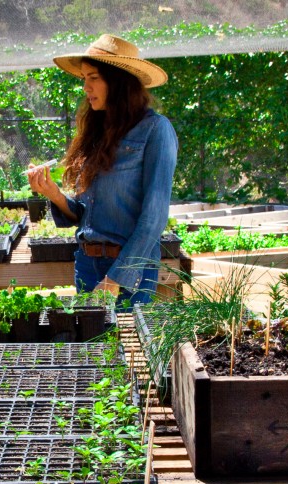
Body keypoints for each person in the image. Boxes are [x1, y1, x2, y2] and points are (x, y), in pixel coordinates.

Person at [27, 34, 178, 309]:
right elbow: (88, 215)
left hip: (127, 271)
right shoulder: (98, 131)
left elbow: (154, 219)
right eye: (83, 78)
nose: (85, 87)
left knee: (123, 348)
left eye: (93, 77)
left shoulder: (155, 130)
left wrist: (114, 279)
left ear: (119, 81)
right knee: (93, 350)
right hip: (87, 264)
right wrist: (54, 194)